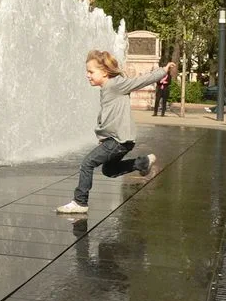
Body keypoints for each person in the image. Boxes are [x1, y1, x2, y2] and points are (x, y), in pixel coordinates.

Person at [56, 50, 175, 214]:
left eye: (91, 72)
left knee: (87, 163)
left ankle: (80, 202)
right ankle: (142, 163)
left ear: (104, 72)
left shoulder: (116, 84)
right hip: (120, 140)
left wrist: (163, 71)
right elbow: (109, 115)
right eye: (87, 72)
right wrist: (104, 137)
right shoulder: (107, 88)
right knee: (109, 170)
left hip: (118, 140)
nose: (87, 75)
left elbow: (140, 81)